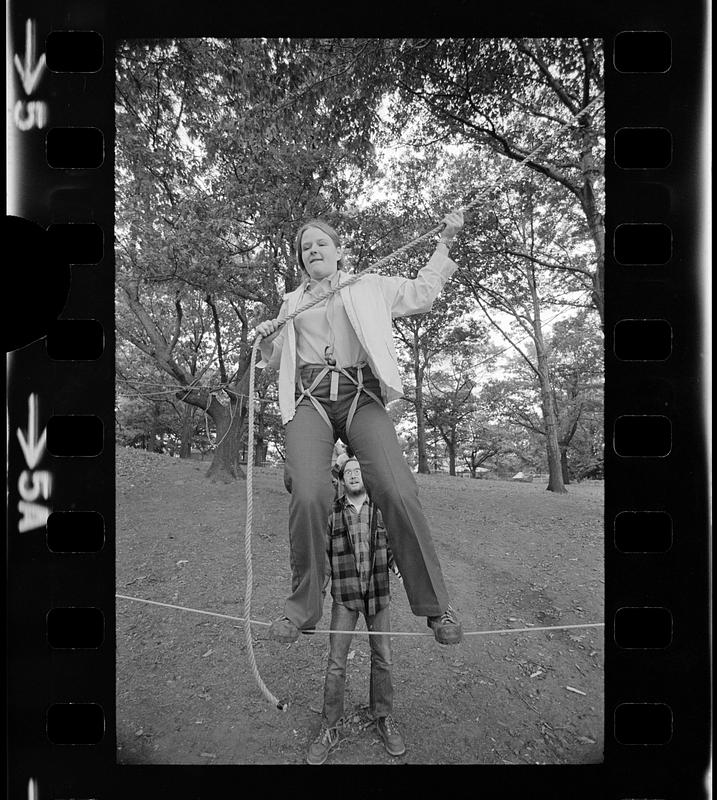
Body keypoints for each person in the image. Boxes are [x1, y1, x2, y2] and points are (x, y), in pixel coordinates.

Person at [255, 209, 464, 646]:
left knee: (396, 488)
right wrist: (270, 334)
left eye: (321, 243)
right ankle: (302, 610)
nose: (314, 250)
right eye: (306, 247)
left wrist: (445, 242)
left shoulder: (369, 285)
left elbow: (423, 292)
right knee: (309, 491)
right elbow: (277, 358)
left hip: (361, 395)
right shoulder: (292, 302)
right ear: (301, 259)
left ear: (338, 250)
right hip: (309, 400)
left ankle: (436, 607)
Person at [306, 457, 404, 764]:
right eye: (347, 472)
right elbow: (321, 562)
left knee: (384, 658)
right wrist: (311, 602)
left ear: (366, 476)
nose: (353, 475)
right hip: (345, 598)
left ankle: (383, 716)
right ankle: (330, 726)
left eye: (358, 471)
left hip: (378, 596)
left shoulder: (380, 510)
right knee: (336, 662)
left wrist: (402, 568)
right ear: (341, 480)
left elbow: (392, 552)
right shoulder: (332, 514)